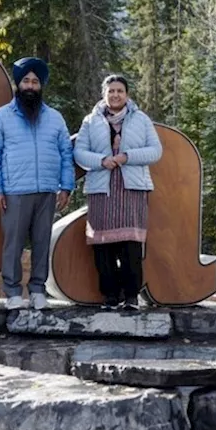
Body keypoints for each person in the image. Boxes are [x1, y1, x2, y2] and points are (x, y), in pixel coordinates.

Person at [0, 57, 74, 310]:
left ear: (41, 86)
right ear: (18, 84)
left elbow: (66, 153)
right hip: (14, 191)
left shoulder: (55, 118)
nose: (30, 86)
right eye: (26, 81)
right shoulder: (1, 117)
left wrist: (66, 187)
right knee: (13, 244)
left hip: (47, 190)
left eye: (35, 81)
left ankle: (37, 290)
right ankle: (12, 292)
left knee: (42, 242)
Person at [73, 75, 163, 309]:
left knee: (130, 245)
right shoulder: (90, 121)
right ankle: (110, 296)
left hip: (131, 189)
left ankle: (131, 296)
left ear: (127, 95)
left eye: (120, 91)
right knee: (103, 246)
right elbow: (79, 153)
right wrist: (102, 160)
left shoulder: (141, 120)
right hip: (100, 188)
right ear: (104, 94)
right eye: (111, 91)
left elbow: (155, 151)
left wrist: (127, 157)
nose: (115, 95)